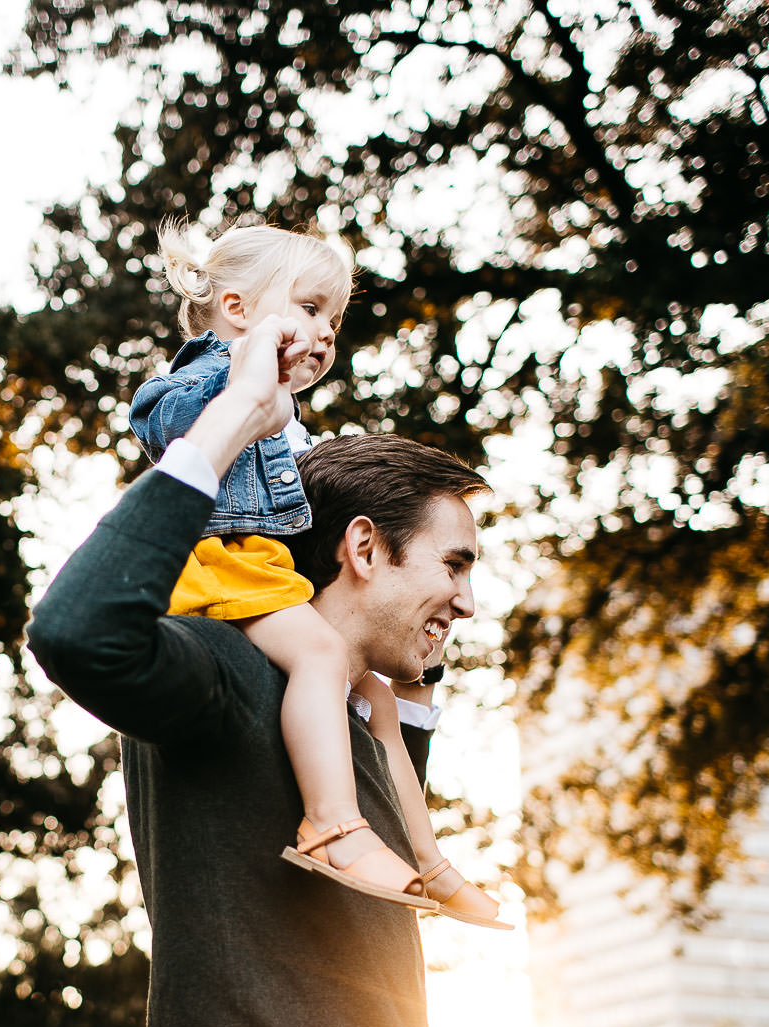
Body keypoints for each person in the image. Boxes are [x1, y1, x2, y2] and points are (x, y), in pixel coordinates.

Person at [27, 319, 502, 1027]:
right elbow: (73, 630)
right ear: (363, 548)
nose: (469, 602)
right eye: (455, 565)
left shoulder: (353, 722)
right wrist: (234, 416)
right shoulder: (225, 671)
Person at [128, 221, 502, 925]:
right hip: (223, 565)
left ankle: (430, 860)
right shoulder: (217, 376)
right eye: (308, 308)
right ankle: (330, 825)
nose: (325, 332)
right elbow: (161, 421)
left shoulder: (285, 414)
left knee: (382, 705)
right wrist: (243, 391)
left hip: (267, 570)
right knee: (324, 654)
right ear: (239, 311)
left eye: (332, 319)